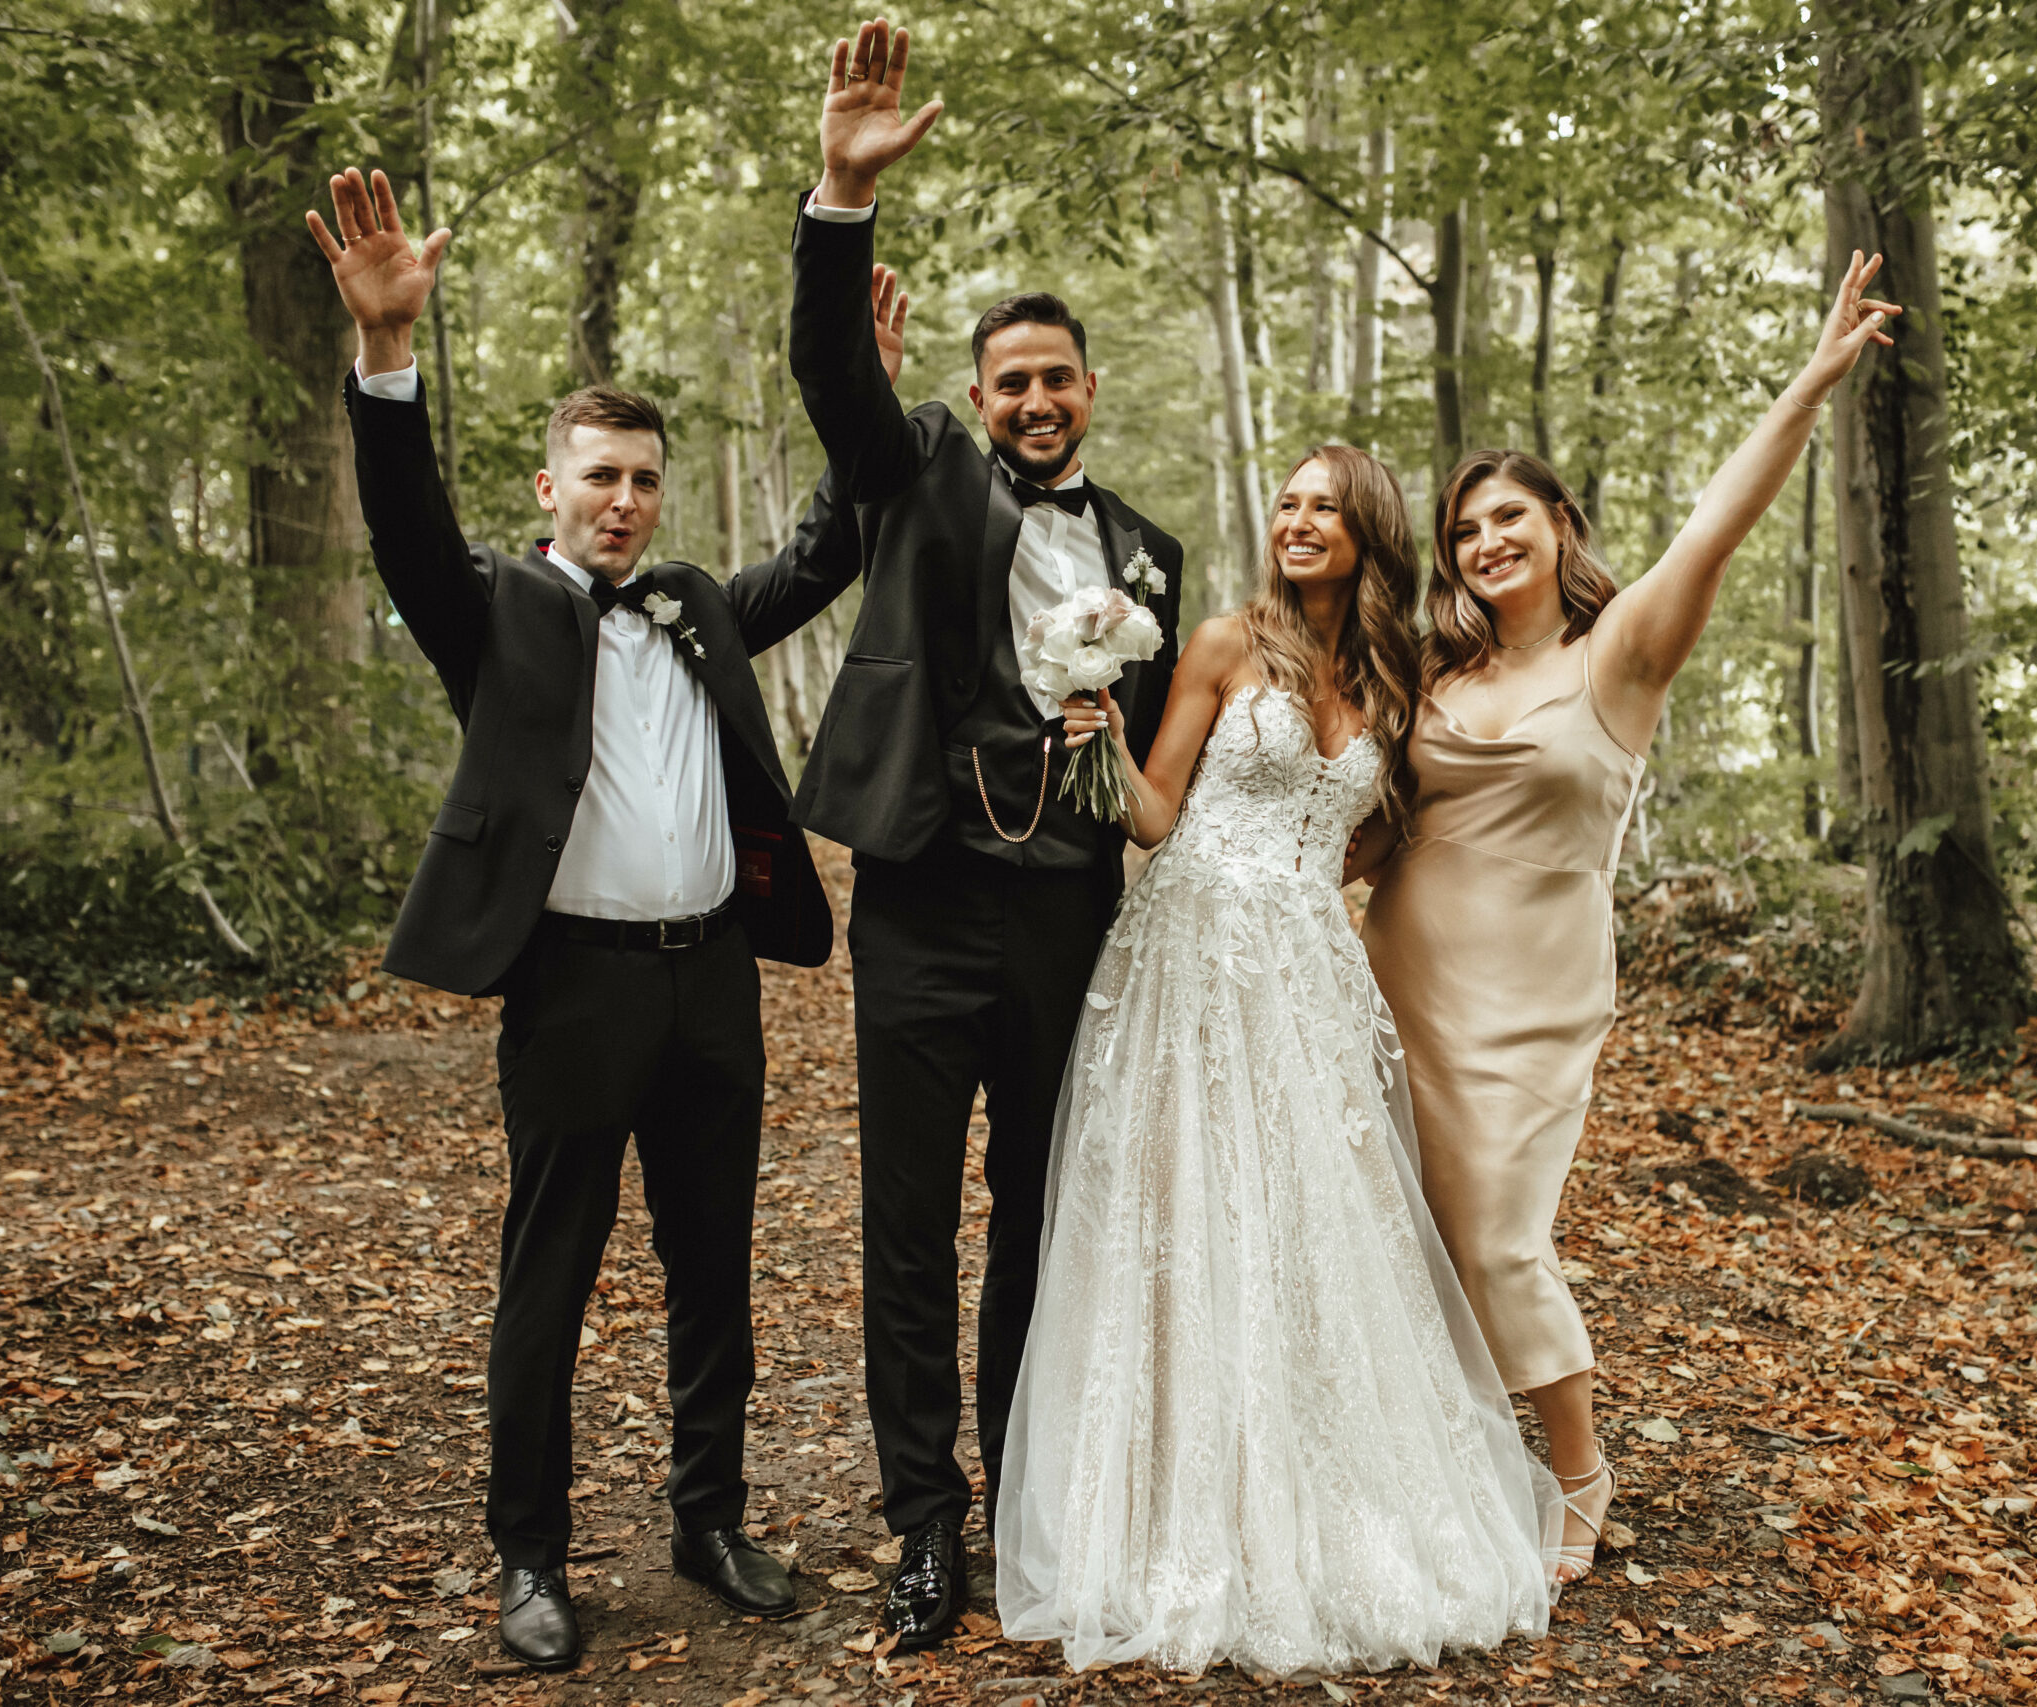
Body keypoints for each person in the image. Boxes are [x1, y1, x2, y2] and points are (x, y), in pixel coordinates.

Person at [306, 167, 908, 1669]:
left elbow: (829, 547)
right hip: (572, 989)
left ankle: (710, 1518)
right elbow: (403, 529)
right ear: (550, 488)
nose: (624, 499)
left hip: (714, 983)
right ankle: (531, 1555)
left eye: (642, 477)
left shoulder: (699, 605)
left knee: (713, 1271)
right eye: (599, 477)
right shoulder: (493, 608)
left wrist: (864, 402)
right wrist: (386, 352)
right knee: (551, 1276)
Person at [1359, 251, 1902, 1582]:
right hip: (1397, 970)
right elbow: (1363, 818)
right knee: (1407, 1227)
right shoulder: (1431, 666)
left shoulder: (1625, 652)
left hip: (1534, 994)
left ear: (1560, 523)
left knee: (1499, 1232)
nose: (1485, 544)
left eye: (1508, 517)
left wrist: (1811, 382)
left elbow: (1718, 518)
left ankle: (1580, 1469)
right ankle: (1435, 1458)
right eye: (1464, 530)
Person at [997, 447, 1557, 1678]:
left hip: (1306, 970)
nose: (1298, 522)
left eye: (1325, 508)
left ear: (1369, 532)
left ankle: (1325, 1498)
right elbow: (1154, 815)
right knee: (1191, 1215)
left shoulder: (1401, 675)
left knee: (1312, 1224)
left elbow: (1385, 830)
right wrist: (1095, 729)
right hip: (1189, 958)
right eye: (1289, 504)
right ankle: (1180, 1512)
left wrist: (1314, 884)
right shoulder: (1221, 642)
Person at [784, 18, 1187, 1652]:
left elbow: (1159, 763)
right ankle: (924, 1524)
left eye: (1055, 377)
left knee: (1040, 1209)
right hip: (921, 897)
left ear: (1091, 391)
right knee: (907, 1222)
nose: (1033, 398)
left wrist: (1115, 759)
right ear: (976, 395)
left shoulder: (1150, 552)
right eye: (1008, 378)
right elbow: (835, 381)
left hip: (1067, 905)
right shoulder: (922, 469)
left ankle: (1025, 1489)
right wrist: (840, 197)